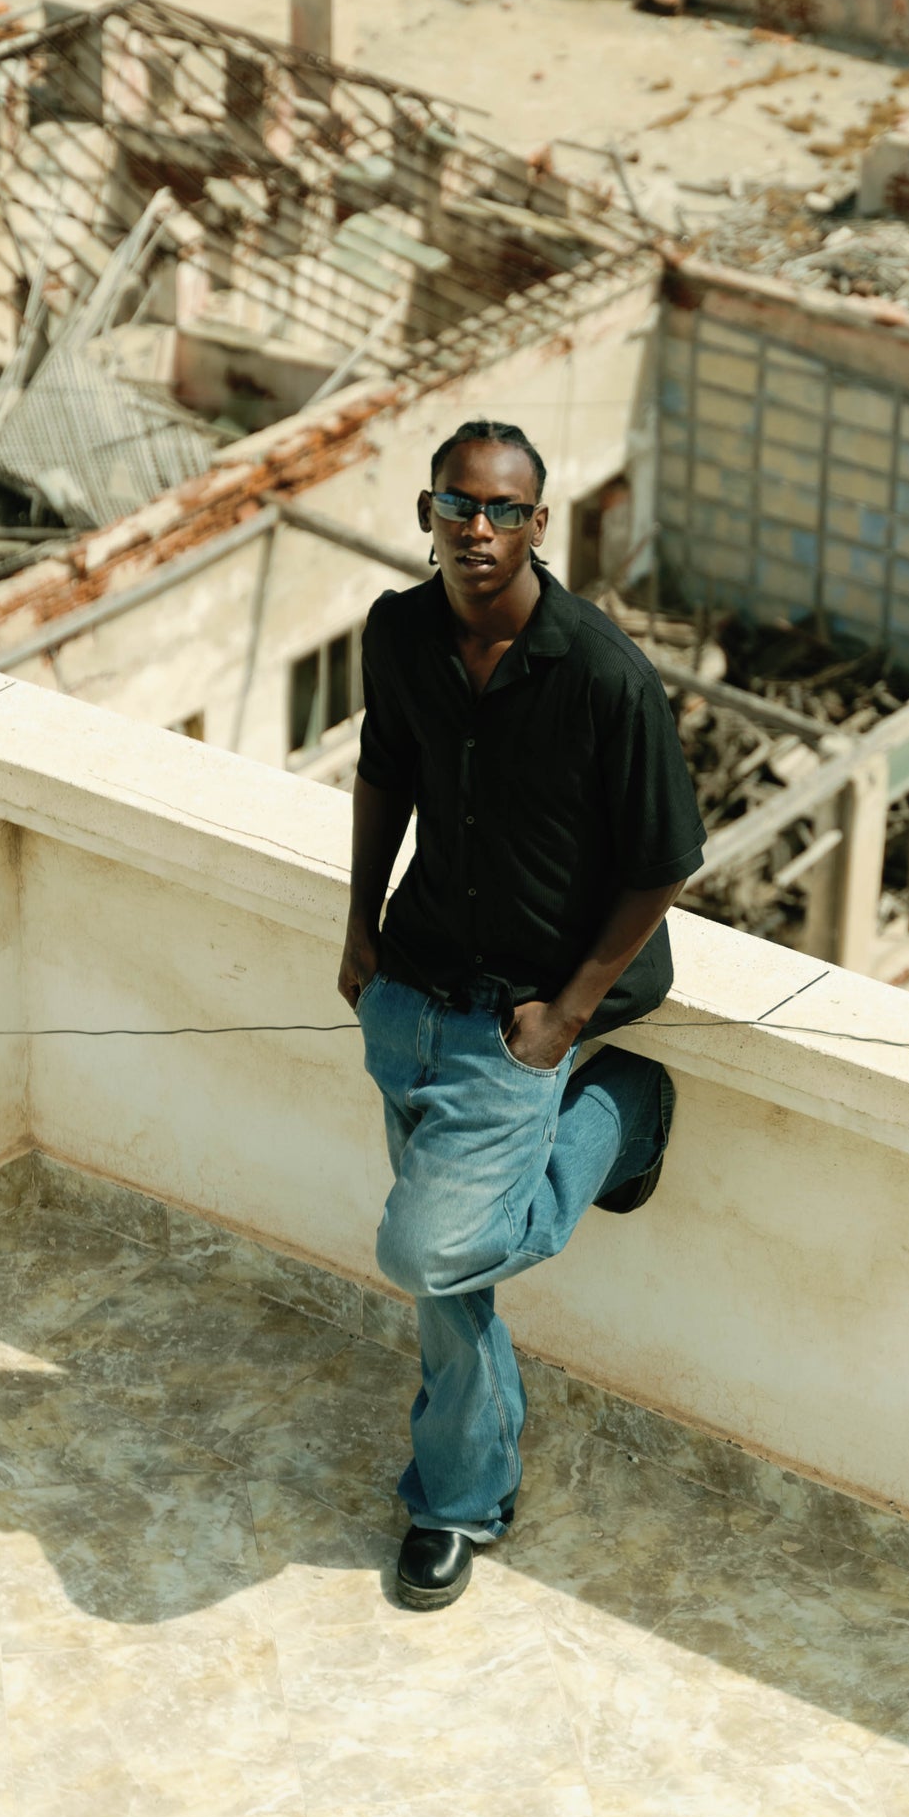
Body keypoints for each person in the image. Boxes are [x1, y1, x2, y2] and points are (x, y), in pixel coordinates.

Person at [337, 417, 706, 1610]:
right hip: (408, 989)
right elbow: (384, 772)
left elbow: (663, 861)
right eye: (458, 505)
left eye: (504, 511)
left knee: (425, 1248)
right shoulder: (397, 632)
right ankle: (459, 1498)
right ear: (428, 514)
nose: (478, 529)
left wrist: (566, 1019)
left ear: (538, 524)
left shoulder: (600, 673)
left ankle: (617, 1112)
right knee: (449, 1284)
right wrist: (357, 923)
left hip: (520, 1017)